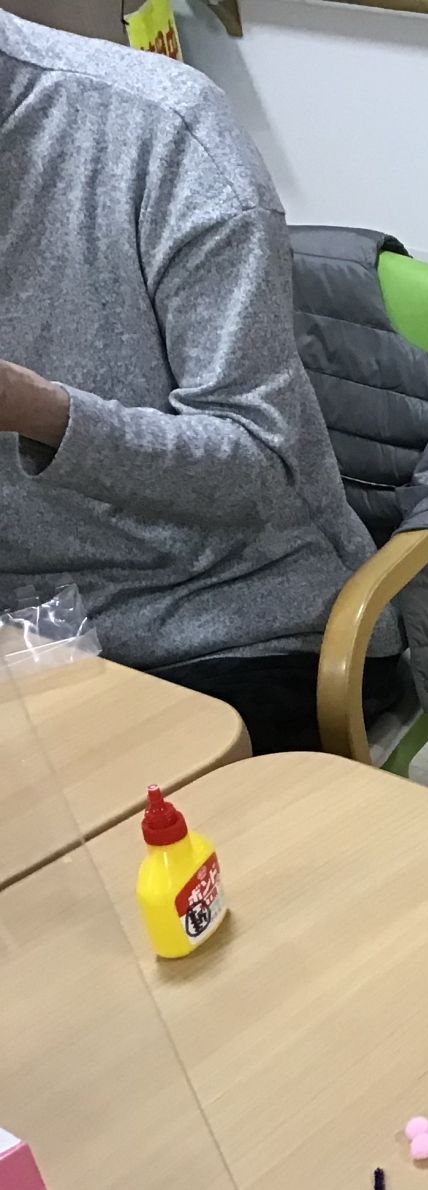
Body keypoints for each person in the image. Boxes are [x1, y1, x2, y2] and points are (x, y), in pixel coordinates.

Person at [0, 10, 399, 751]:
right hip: (27, 635)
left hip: (226, 624)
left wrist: (41, 412)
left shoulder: (162, 132)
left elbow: (262, 464)